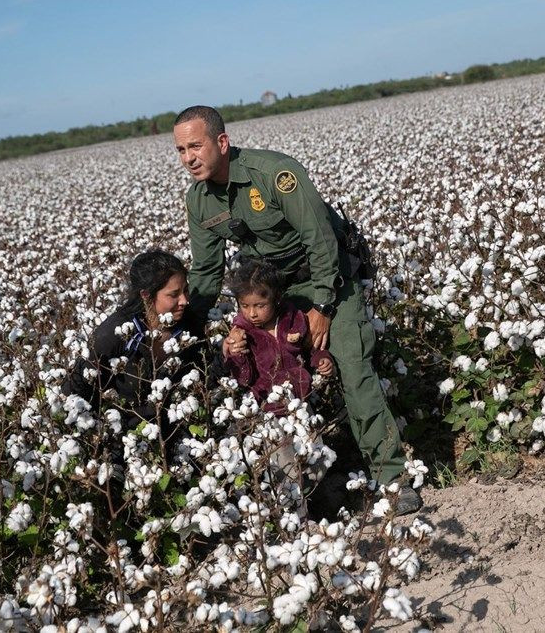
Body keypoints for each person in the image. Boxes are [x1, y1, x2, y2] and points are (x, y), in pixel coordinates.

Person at [172, 105, 422, 514]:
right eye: (181, 150)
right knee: (264, 387)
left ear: (221, 141)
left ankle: (392, 480)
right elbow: (205, 272)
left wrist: (322, 305)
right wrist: (185, 329)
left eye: (195, 146)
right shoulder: (199, 201)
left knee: (352, 369)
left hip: (326, 280)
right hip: (270, 297)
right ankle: (296, 497)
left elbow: (322, 239)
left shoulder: (275, 174)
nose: (189, 158)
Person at [62, 249, 204, 434]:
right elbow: (74, 390)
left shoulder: (189, 326)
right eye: (174, 294)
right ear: (146, 295)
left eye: (185, 290)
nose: (184, 300)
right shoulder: (114, 334)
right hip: (122, 433)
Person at [224, 257, 336, 413]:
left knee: (310, 437)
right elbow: (244, 379)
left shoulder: (294, 320)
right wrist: (237, 354)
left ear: (276, 298)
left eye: (260, 305)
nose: (252, 313)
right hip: (264, 404)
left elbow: (311, 349)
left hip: (300, 401)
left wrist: (322, 359)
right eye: (245, 306)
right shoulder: (243, 334)